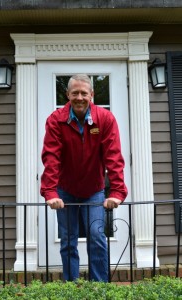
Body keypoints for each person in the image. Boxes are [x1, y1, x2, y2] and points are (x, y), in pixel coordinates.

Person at [40, 74, 128, 282]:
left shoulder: (105, 119)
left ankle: (99, 288)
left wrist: (116, 191)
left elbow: (113, 156)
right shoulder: (56, 120)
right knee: (68, 240)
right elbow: (51, 156)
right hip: (64, 189)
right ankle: (71, 287)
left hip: (94, 189)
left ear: (92, 95)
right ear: (67, 95)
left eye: (84, 93)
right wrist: (50, 191)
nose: (79, 97)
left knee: (96, 237)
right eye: (75, 93)